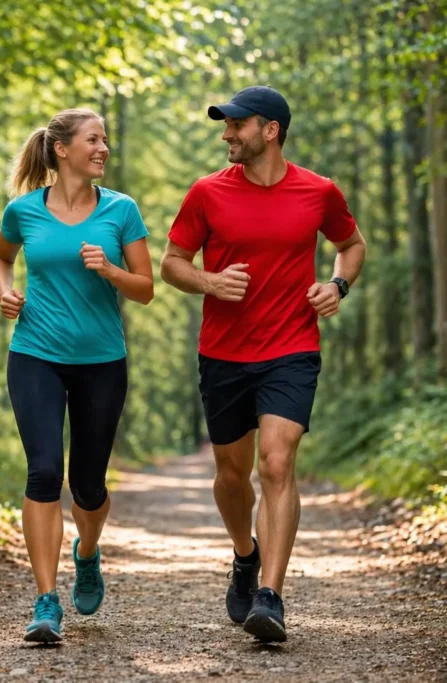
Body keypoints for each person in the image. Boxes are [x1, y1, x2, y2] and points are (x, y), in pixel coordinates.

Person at [160, 86, 366, 643]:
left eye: (236, 125)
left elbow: (351, 244)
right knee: (232, 474)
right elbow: (172, 264)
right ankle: (245, 555)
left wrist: (337, 284)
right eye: (225, 125)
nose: (226, 134)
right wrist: (209, 280)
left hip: (292, 349)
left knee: (276, 464)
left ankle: (270, 597)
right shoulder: (206, 193)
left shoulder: (318, 191)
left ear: (269, 130)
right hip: (223, 353)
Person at [0, 108, 154, 643]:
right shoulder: (23, 211)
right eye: (93, 139)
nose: (103, 147)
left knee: (87, 486)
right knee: (42, 473)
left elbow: (146, 287)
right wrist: (5, 291)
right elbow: (0, 259)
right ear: (61, 149)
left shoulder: (121, 210)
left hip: (102, 361)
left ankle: (87, 552)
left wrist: (110, 270)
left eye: (105, 139)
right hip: (35, 353)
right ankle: (45, 602)